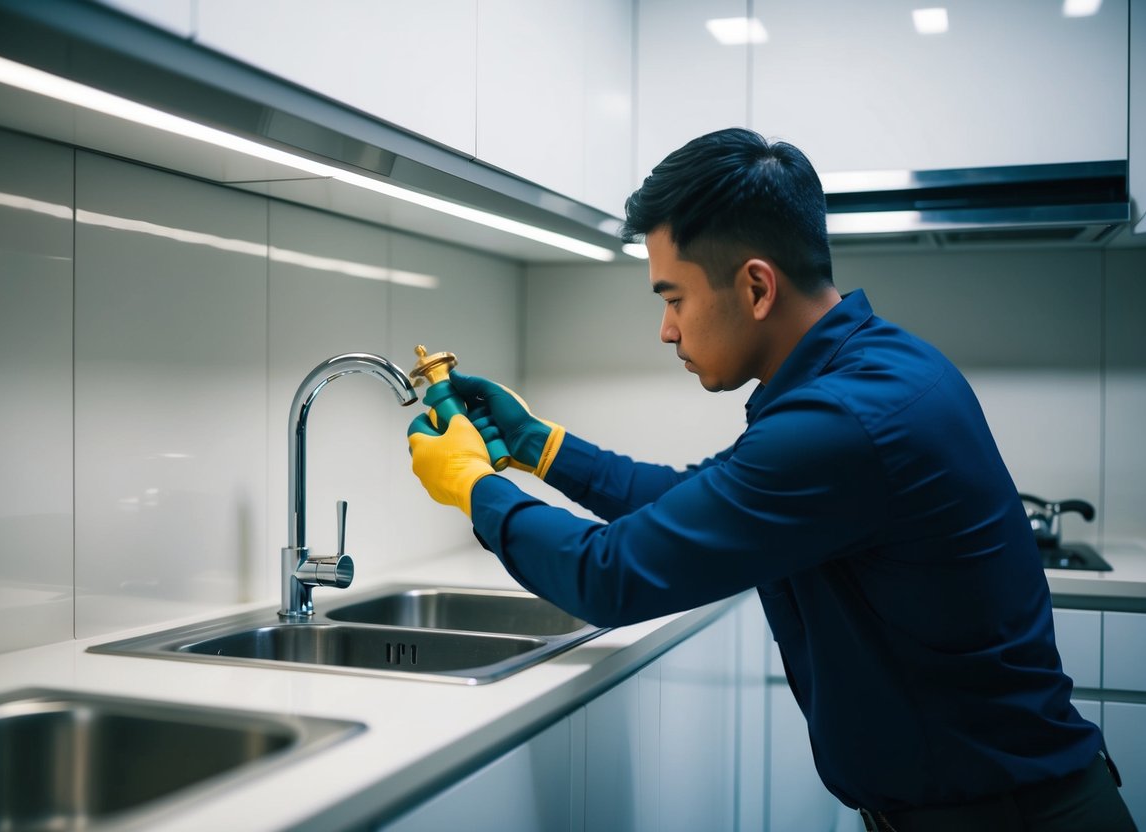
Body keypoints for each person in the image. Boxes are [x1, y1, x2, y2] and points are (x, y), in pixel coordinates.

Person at [406, 128, 1135, 831]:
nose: (666, 329)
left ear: (755, 286)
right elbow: (689, 503)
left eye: (672, 298)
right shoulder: (867, 373)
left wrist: (473, 485)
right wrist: (539, 446)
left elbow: (611, 575)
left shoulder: (842, 422)